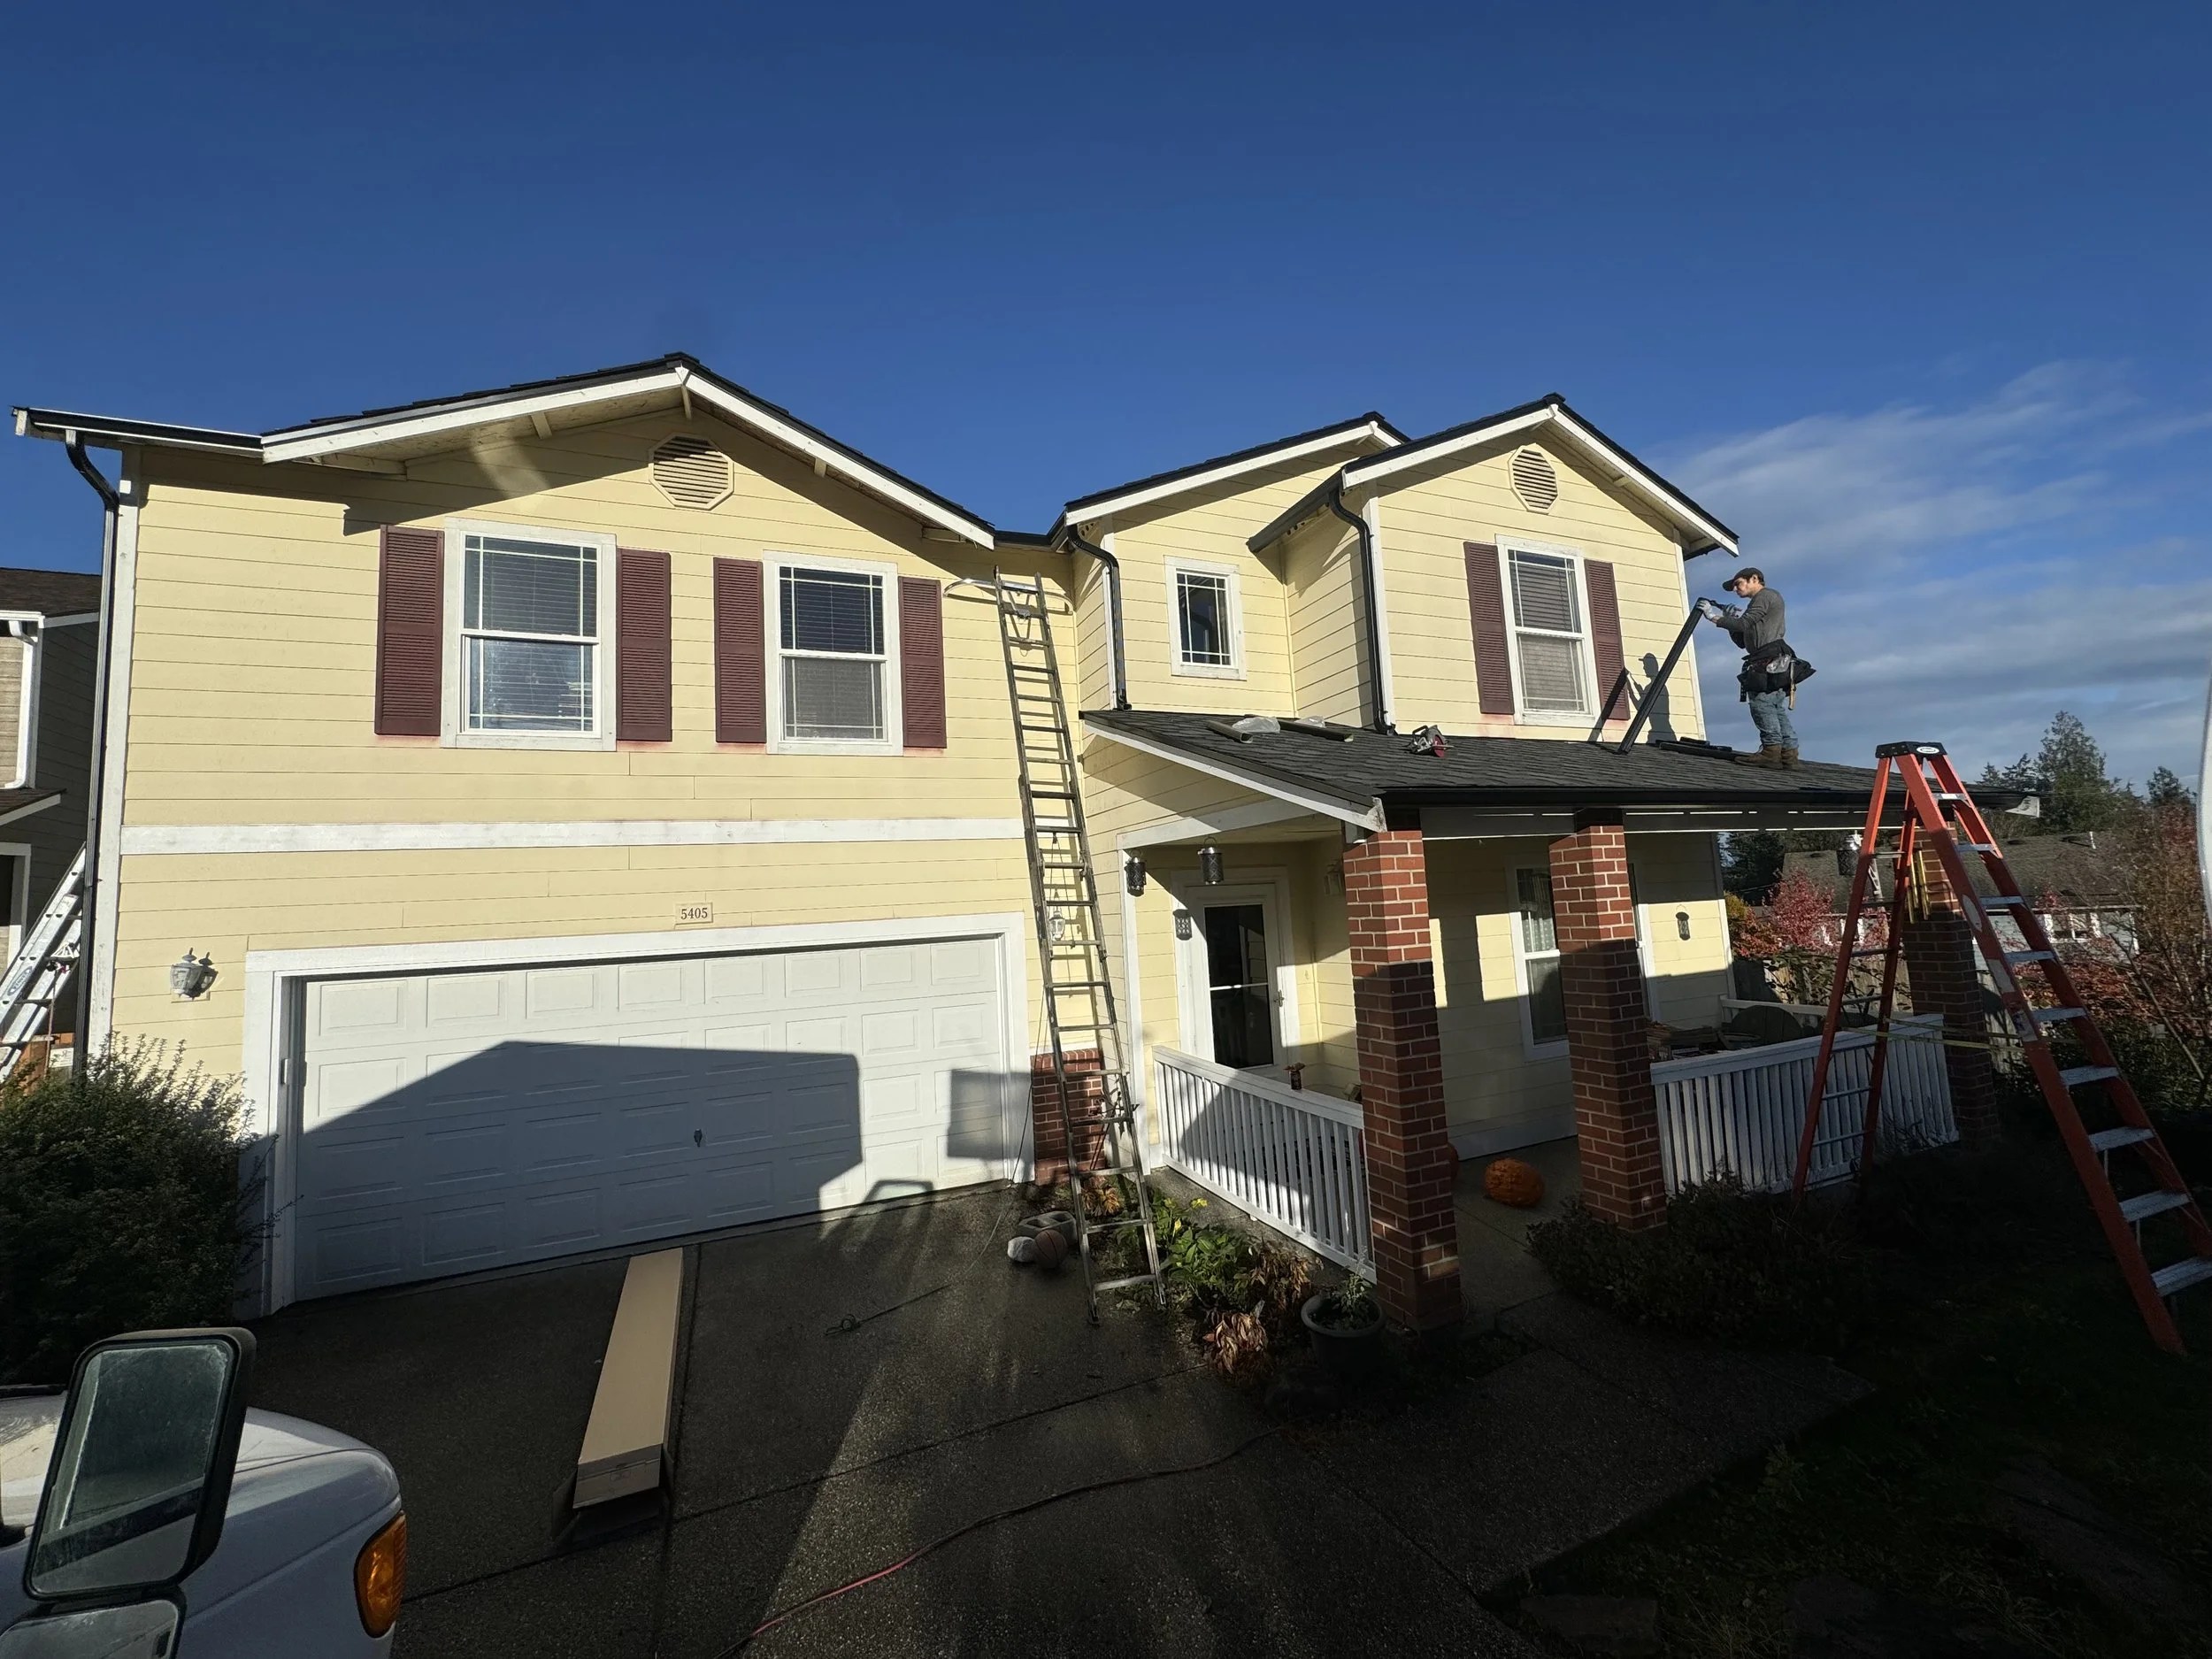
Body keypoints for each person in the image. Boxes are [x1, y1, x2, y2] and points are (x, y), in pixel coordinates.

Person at [1699, 567, 1801, 768]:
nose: (1736, 589)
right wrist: (1730, 620)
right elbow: (1742, 640)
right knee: (1774, 708)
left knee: (1762, 704)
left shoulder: (1765, 596)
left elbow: (1744, 624)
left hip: (1770, 658)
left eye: (1739, 583)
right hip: (1772, 657)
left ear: (1754, 579)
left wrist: (1714, 617)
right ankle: (1789, 755)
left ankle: (1771, 752)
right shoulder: (1761, 604)